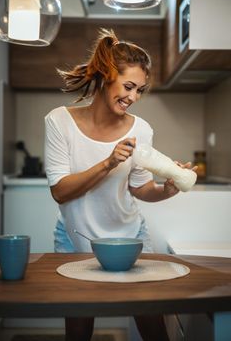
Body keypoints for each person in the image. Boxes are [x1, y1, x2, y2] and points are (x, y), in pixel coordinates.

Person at [44, 28, 196, 341]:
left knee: (152, 323)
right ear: (105, 76)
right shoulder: (59, 121)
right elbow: (60, 191)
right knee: (78, 327)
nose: (133, 98)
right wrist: (108, 162)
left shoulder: (142, 129)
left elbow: (140, 188)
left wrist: (166, 190)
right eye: (128, 86)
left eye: (140, 90)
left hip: (129, 236)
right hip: (76, 237)